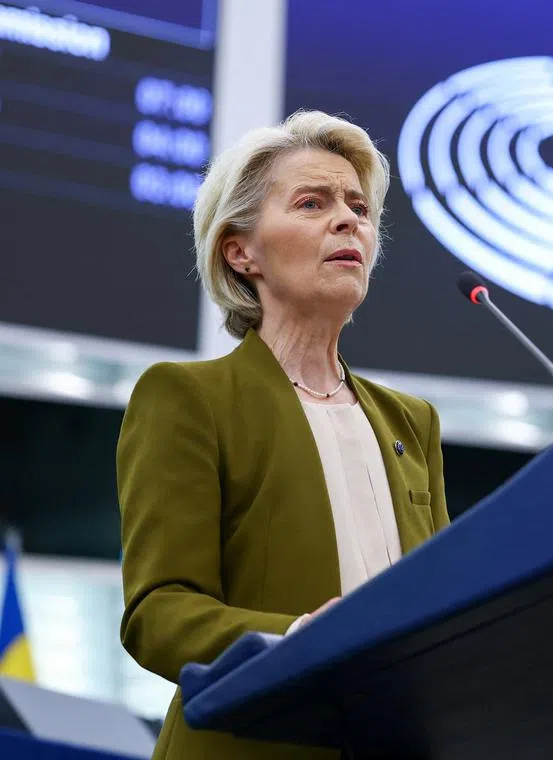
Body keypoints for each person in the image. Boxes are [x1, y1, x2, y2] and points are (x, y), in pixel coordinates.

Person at [117, 109, 450, 760]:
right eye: (312, 202)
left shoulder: (415, 422)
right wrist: (296, 639)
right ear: (240, 251)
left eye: (359, 206)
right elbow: (158, 613)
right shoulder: (188, 397)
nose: (349, 219)